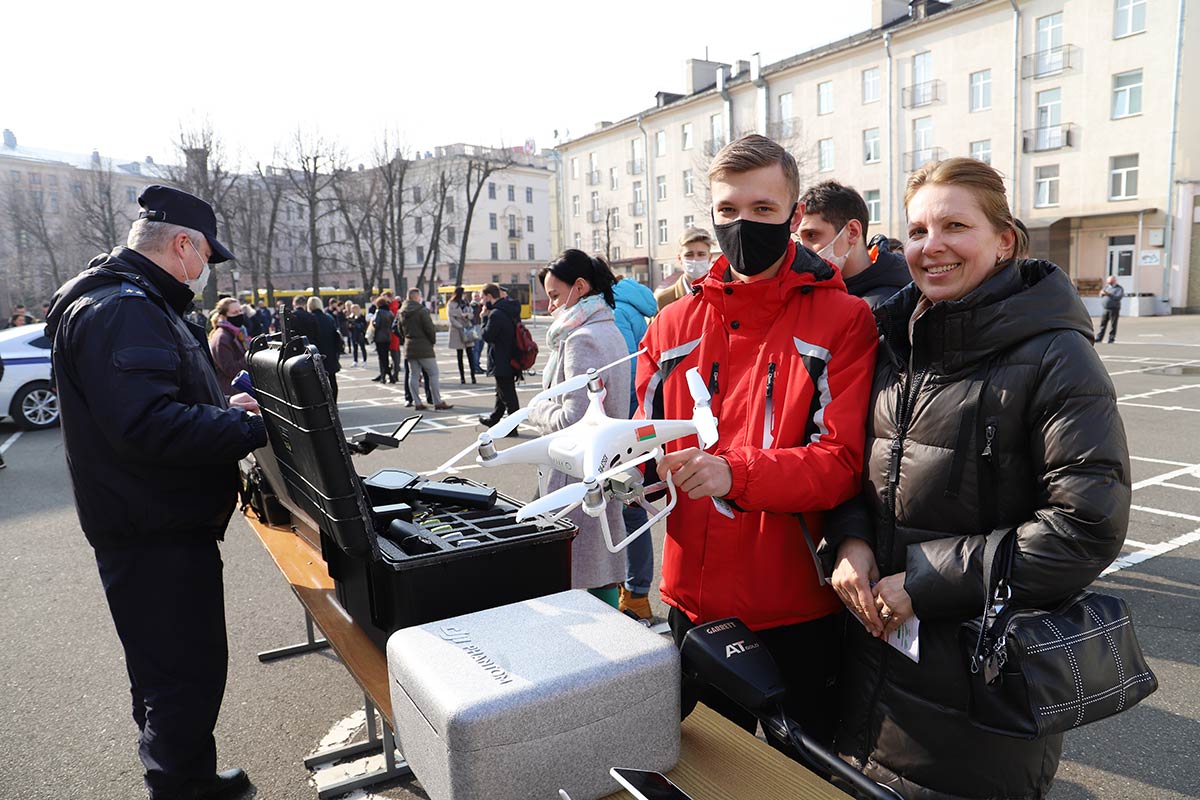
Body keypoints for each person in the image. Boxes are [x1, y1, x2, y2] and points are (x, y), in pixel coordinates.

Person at [826, 158, 1129, 799]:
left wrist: (925, 585)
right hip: (871, 662)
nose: (931, 247)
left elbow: (1085, 525)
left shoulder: (1056, 354)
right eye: (916, 231)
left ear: (1004, 240)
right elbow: (857, 470)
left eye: (954, 226)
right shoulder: (893, 343)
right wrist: (848, 540)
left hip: (981, 683)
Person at [634, 135, 878, 749]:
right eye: (728, 211)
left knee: (796, 778)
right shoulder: (671, 323)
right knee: (702, 766)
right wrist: (622, 467)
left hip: (795, 606)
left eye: (763, 210)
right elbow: (640, 436)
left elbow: (843, 463)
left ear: (794, 217)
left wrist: (731, 474)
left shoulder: (843, 320)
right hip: (691, 596)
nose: (744, 225)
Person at [44, 185, 264, 800]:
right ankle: (181, 788)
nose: (204, 273)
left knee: (165, 671)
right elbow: (147, 426)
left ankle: (182, 775)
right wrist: (249, 426)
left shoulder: (126, 301)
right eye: (204, 258)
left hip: (147, 521)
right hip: (155, 528)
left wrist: (222, 406)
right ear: (183, 245)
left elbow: (151, 405)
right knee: (183, 674)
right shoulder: (125, 308)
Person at [528, 251, 628, 603]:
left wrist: (537, 409)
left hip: (577, 474)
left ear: (580, 287)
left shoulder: (580, 339)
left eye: (555, 295)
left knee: (580, 581)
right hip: (603, 465)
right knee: (599, 570)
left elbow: (573, 419)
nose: (552, 306)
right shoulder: (606, 327)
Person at [610, 274, 659, 620]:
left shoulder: (612, 310)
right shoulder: (632, 305)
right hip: (636, 420)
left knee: (627, 510)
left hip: (622, 425)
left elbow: (625, 375)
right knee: (631, 507)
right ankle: (634, 592)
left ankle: (635, 594)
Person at [797, 180, 910, 309]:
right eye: (799, 239)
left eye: (812, 235)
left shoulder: (885, 306)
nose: (801, 249)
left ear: (852, 232)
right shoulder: (818, 292)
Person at [400, 288, 453, 411]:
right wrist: (431, 341)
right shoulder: (422, 311)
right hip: (424, 346)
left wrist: (407, 339)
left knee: (413, 375)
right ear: (416, 297)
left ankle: (417, 402)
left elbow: (399, 329)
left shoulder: (402, 311)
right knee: (433, 373)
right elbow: (430, 328)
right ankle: (437, 401)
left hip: (409, 345)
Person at [479, 283, 522, 431]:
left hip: (501, 359)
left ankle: (512, 427)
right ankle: (494, 418)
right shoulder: (508, 309)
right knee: (501, 392)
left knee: (508, 395)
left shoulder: (496, 314)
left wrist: (484, 318)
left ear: (489, 297)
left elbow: (487, 335)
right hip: (511, 356)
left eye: (483, 298)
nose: (481, 302)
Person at [654, 228, 714, 311]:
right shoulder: (664, 299)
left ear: (710, 257)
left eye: (701, 254)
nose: (695, 259)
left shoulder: (722, 293)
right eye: (689, 255)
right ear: (680, 259)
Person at [208, 297, 248, 398]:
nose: (239, 315)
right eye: (234, 313)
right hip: (231, 392)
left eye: (240, 311)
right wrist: (249, 356)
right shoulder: (222, 338)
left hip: (238, 389)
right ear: (224, 316)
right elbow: (230, 369)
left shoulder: (233, 333)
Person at [307, 296, 343, 402]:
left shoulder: (309, 318)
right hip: (330, 351)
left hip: (316, 352)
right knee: (332, 379)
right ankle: (334, 402)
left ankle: (324, 403)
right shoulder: (328, 317)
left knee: (318, 381)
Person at [446, 286, 477, 385]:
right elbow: (451, 318)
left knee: (470, 354)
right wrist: (460, 325)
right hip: (457, 330)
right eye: (463, 293)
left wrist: (467, 316)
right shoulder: (451, 303)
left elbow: (472, 314)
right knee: (460, 355)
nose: (465, 295)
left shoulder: (466, 302)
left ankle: (473, 376)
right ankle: (462, 377)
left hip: (467, 329)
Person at [370, 296, 395, 383]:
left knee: (382, 358)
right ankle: (386, 376)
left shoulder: (379, 312)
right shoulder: (389, 312)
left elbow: (376, 324)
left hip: (379, 337)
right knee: (385, 357)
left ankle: (386, 376)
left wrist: (372, 322)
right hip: (388, 337)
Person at [1096, 274, 1125, 344]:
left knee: (1113, 324)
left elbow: (1118, 297)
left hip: (1114, 309)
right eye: (1108, 282)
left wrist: (1108, 294)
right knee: (1102, 324)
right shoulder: (1106, 287)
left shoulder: (1119, 288)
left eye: (1110, 282)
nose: (1108, 283)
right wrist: (1102, 293)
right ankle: (1099, 338)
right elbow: (1101, 294)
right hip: (1105, 308)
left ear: (1114, 281)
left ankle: (1111, 338)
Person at [347, 303, 368, 367]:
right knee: (355, 348)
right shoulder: (351, 317)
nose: (353, 310)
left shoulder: (361, 316)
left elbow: (364, 325)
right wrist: (350, 326)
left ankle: (365, 361)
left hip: (360, 334)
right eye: (352, 309)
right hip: (353, 334)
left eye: (354, 309)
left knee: (362, 348)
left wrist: (356, 324)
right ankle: (355, 361)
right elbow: (348, 327)